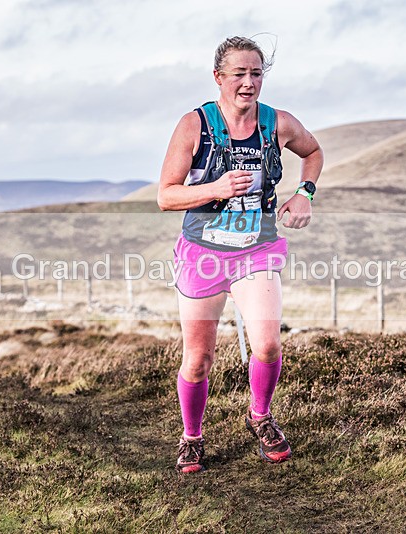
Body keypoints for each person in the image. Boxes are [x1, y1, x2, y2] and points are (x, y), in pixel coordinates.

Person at [157, 36, 323, 473]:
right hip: (203, 253)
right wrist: (214, 188)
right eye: (239, 74)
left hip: (258, 251)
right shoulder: (194, 126)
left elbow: (313, 151)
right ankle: (192, 437)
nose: (249, 83)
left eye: (256, 73)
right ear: (219, 78)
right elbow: (165, 196)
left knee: (267, 344)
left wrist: (304, 193)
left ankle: (260, 416)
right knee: (199, 359)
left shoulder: (278, 123)